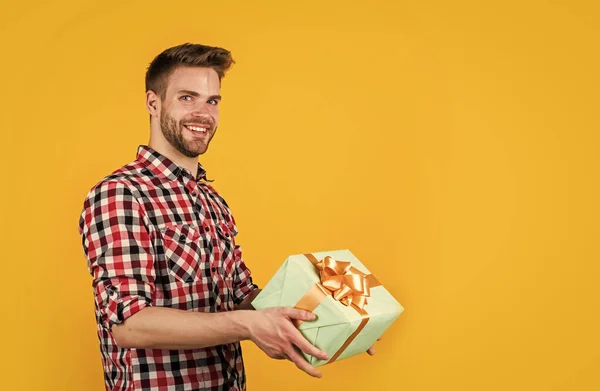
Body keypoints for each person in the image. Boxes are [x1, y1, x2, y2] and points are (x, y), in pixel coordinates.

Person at [79, 43, 376, 391]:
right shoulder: (121, 194)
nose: (203, 113)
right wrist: (248, 326)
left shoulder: (211, 200)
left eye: (212, 101)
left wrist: (334, 318)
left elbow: (240, 296)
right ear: (153, 103)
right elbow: (130, 325)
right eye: (187, 98)